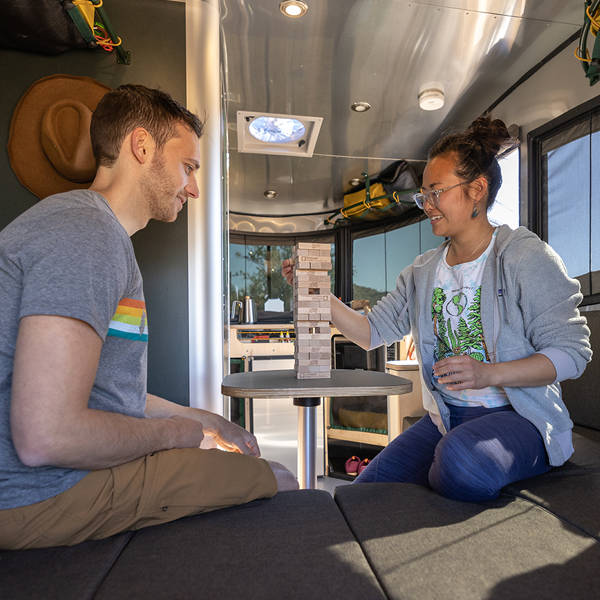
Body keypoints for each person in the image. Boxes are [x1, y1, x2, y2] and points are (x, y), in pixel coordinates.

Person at [0, 84, 297, 551]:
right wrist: (175, 433)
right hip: (42, 495)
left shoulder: (88, 230)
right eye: (188, 167)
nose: (193, 188)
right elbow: (45, 436)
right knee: (280, 478)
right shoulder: (85, 233)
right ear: (141, 146)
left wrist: (205, 421)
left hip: (51, 483)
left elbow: (109, 396)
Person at [283, 116, 592, 502]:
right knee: (358, 497)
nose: (427, 205)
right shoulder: (422, 271)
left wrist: (489, 374)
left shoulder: (524, 255)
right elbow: (369, 333)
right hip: (446, 419)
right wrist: (316, 291)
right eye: (423, 195)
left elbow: (572, 354)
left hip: (520, 419)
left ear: (477, 189)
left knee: (461, 461)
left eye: (436, 192)